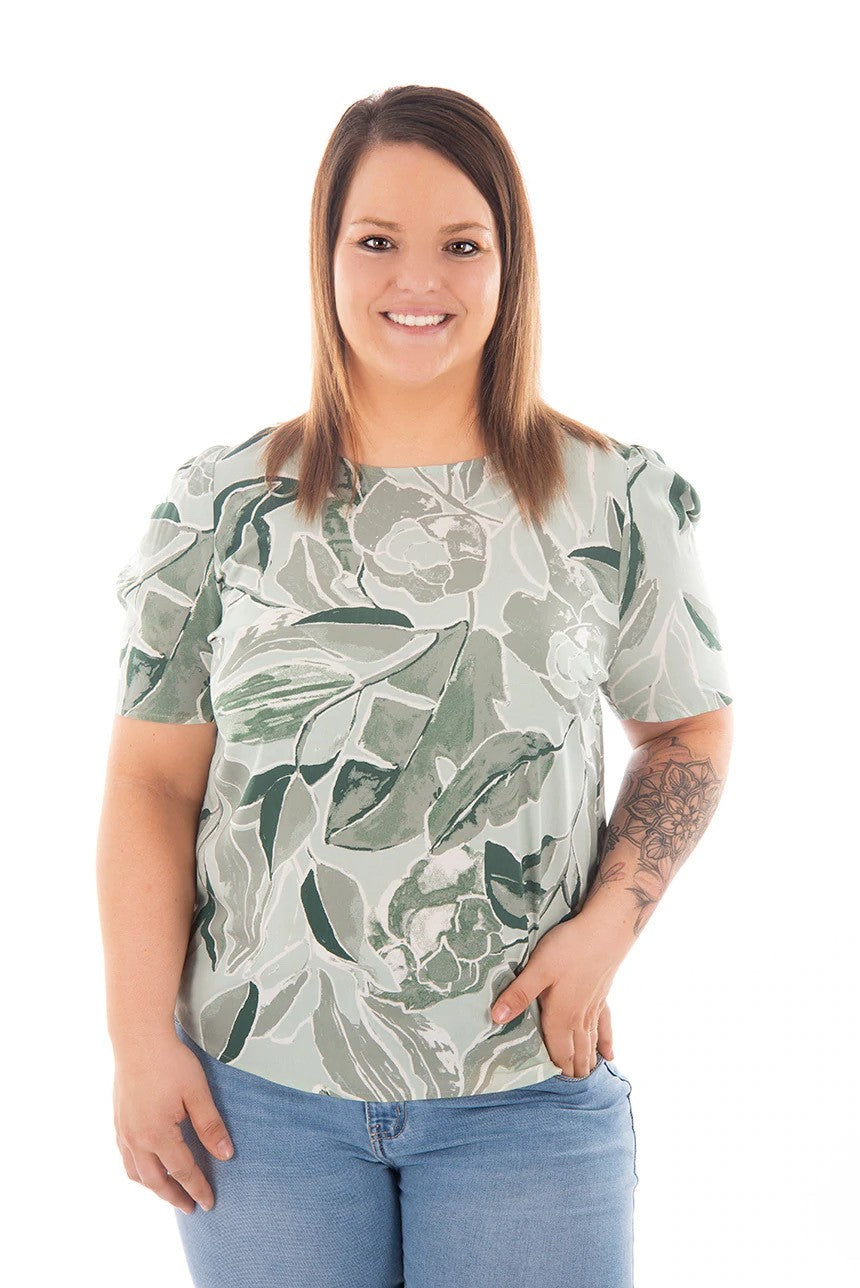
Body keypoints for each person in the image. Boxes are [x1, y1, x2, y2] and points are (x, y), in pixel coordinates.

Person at [97, 84, 734, 1288]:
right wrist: (138, 1041)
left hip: (522, 1088)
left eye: (461, 244)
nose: (417, 280)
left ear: (510, 261)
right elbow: (152, 783)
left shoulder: (617, 499)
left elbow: (687, 730)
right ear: (325, 256)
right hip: (257, 1101)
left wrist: (607, 928)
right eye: (377, 240)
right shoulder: (220, 506)